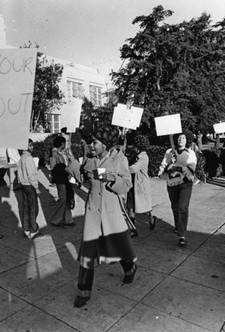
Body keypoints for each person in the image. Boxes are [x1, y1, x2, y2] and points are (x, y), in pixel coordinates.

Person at [74, 126, 136, 308]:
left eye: (95, 142)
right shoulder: (90, 160)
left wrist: (111, 179)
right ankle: (83, 292)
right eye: (91, 142)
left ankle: (130, 267)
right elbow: (82, 177)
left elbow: (126, 184)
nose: (91, 145)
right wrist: (71, 164)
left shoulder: (119, 159)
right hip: (93, 212)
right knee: (88, 252)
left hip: (111, 213)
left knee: (117, 246)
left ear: (105, 144)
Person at [158, 133, 197, 247]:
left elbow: (192, 167)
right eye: (179, 137)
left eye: (183, 138)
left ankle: (182, 235)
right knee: (175, 206)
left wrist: (178, 166)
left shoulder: (190, 153)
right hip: (172, 182)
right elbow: (164, 164)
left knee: (182, 207)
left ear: (187, 140)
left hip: (185, 183)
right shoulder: (169, 152)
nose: (181, 139)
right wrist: (168, 166)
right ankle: (178, 225)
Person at [127, 134, 156, 236]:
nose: (132, 148)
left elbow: (133, 168)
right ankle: (133, 229)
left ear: (138, 146)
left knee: (143, 208)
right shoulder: (134, 156)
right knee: (130, 207)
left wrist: (121, 169)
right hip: (131, 185)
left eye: (134, 146)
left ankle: (151, 217)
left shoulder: (143, 157)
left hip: (140, 186)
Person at [17, 139, 41, 240]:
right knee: (33, 209)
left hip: (23, 185)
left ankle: (26, 229)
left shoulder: (21, 157)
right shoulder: (29, 158)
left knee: (26, 208)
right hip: (30, 186)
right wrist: (36, 186)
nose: (32, 147)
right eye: (30, 146)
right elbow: (31, 174)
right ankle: (33, 230)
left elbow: (19, 173)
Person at [50, 136, 75, 227]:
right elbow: (53, 166)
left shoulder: (64, 152)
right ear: (62, 144)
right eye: (65, 142)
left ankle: (68, 219)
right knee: (63, 199)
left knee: (68, 198)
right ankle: (55, 219)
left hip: (66, 177)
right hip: (60, 178)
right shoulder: (55, 153)